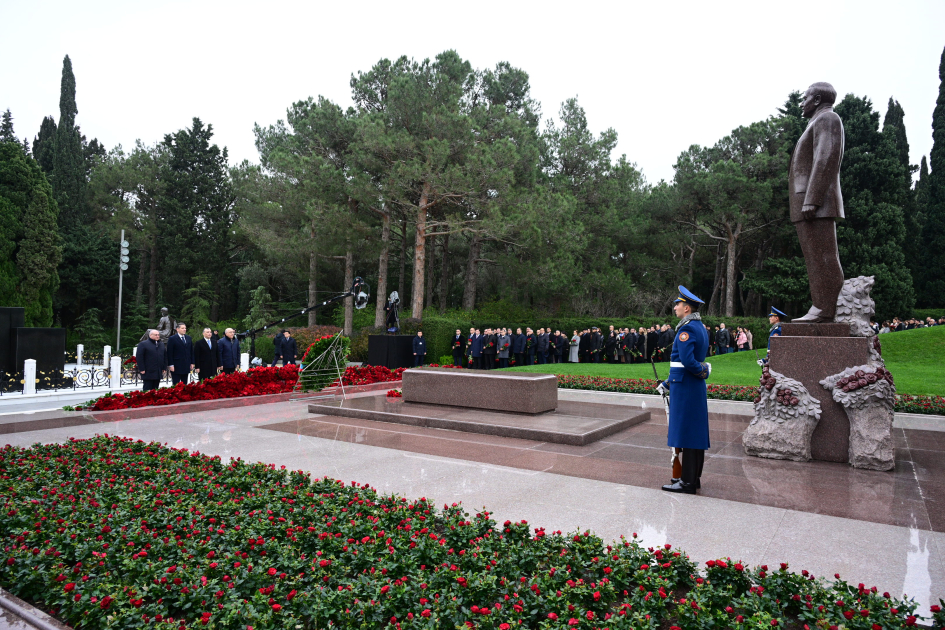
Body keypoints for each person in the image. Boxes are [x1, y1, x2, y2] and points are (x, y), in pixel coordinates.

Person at [790, 82, 845, 324]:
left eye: (805, 98)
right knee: (814, 257)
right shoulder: (816, 122)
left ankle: (826, 308)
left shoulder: (828, 119)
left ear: (817, 99)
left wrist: (812, 200)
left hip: (815, 203)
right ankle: (821, 306)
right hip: (807, 202)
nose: (801, 103)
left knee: (823, 256)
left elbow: (826, 158)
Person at [661, 286, 711, 495]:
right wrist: (667, 382)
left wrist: (703, 371)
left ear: (687, 308)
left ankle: (687, 482)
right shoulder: (698, 326)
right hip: (689, 384)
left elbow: (688, 362)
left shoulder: (687, 329)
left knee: (688, 434)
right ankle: (693, 478)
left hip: (687, 386)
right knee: (695, 433)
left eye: (678, 304)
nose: (675, 308)